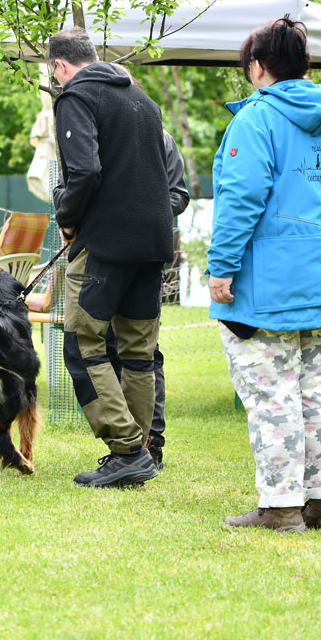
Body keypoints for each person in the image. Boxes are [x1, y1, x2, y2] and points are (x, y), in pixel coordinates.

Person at [208, 16, 321, 532]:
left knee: (272, 394)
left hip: (266, 287)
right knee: (318, 389)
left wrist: (221, 269)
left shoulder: (255, 121)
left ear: (256, 66)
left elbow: (240, 200)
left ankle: (282, 506)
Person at [47, 27, 182, 488]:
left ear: (60, 67)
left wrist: (66, 214)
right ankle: (141, 451)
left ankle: (126, 449)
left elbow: (84, 170)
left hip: (106, 244)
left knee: (82, 345)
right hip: (153, 244)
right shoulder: (143, 101)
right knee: (138, 352)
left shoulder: (75, 97)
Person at [104, 129, 189, 470]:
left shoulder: (160, 139)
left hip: (145, 258)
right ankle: (123, 445)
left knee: (144, 354)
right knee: (105, 350)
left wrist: (140, 211)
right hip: (103, 257)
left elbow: (178, 196)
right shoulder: (94, 135)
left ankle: (151, 442)